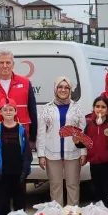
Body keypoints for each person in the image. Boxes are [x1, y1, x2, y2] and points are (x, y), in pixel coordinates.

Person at [0, 49, 39, 172]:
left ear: (13, 64)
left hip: (20, 138)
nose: (5, 66)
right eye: (1, 62)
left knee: (20, 176)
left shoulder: (25, 83)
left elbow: (32, 112)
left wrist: (32, 138)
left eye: (8, 62)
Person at [37, 76, 87, 206]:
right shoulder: (47, 109)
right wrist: (41, 155)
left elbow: (82, 131)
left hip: (73, 152)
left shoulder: (77, 108)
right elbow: (41, 133)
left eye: (66, 87)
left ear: (70, 90)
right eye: (60, 87)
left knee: (73, 185)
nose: (63, 90)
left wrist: (83, 151)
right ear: (55, 89)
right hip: (51, 153)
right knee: (55, 185)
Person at [0, 98, 33, 215]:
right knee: (1, 206)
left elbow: (26, 153)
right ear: (0, 112)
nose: (8, 112)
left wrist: (25, 171)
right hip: (1, 175)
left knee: (19, 207)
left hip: (17, 175)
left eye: (11, 110)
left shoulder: (21, 130)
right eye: (5, 110)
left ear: (15, 112)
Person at [82, 96, 108, 207]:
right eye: (97, 106)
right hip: (94, 164)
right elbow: (84, 142)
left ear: (107, 109)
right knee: (97, 191)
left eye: (103, 107)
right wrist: (76, 141)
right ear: (93, 108)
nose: (100, 109)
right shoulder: (89, 125)